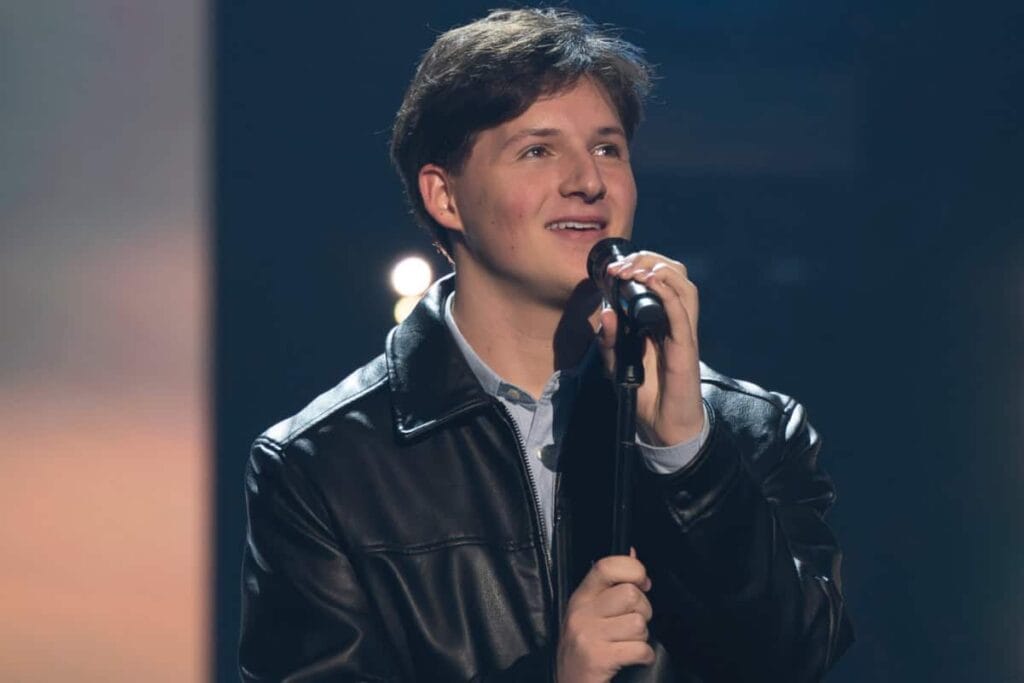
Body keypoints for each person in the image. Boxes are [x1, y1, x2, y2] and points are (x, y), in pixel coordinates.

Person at [238, 8, 853, 682]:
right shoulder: (323, 466)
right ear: (445, 196)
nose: (588, 181)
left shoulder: (751, 431)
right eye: (538, 150)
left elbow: (796, 659)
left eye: (607, 148)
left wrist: (685, 455)